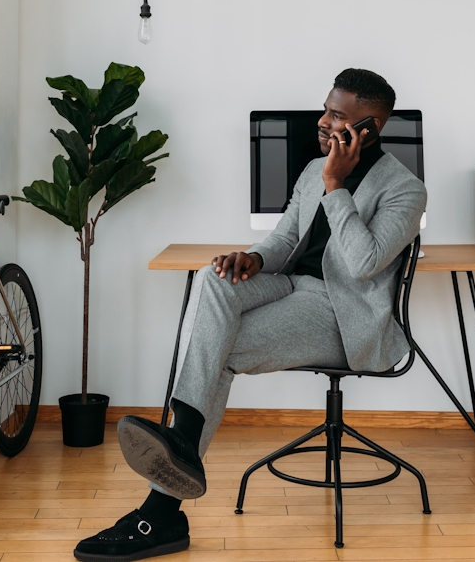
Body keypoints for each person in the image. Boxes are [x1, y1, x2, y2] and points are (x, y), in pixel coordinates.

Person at [73, 68, 427, 561]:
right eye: (326, 108)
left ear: (367, 130)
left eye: (337, 116)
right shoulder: (312, 169)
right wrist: (254, 259)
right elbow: (284, 240)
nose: (323, 121)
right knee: (211, 279)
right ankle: (180, 445)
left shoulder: (405, 190)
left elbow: (363, 264)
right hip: (290, 285)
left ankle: (163, 508)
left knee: (217, 348)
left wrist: (335, 183)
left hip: (341, 314)